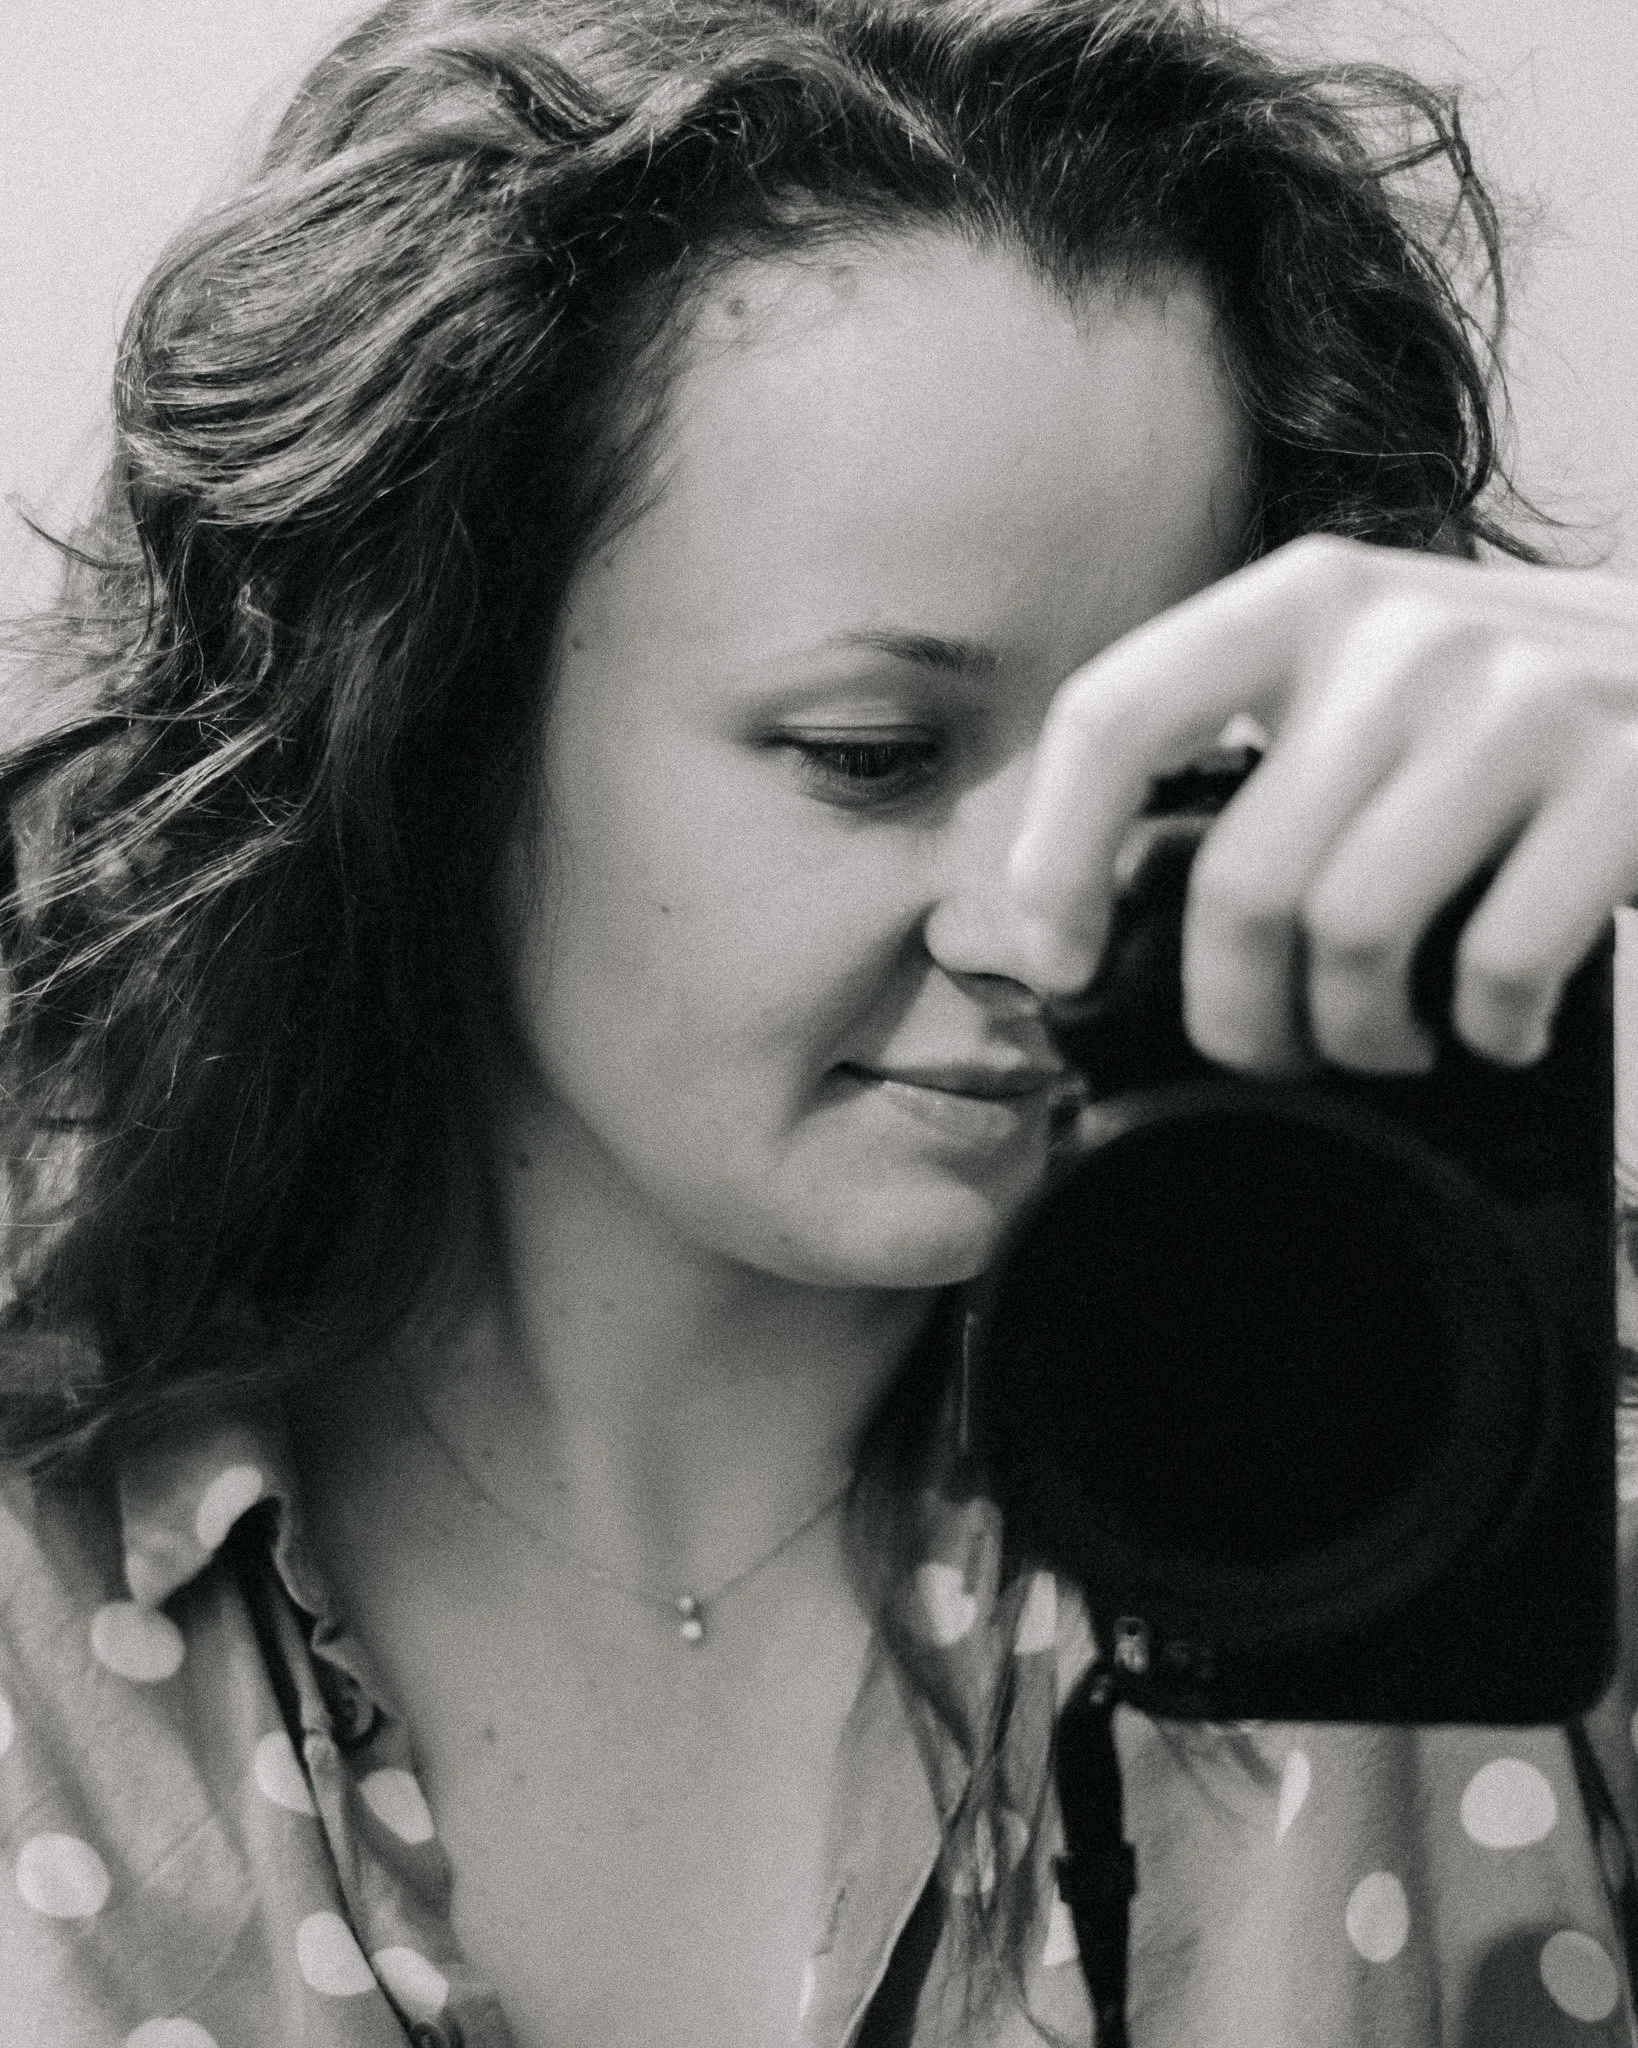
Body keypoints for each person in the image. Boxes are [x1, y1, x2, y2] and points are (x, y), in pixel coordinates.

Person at [2, 0, 1637, 2042]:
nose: (1043, 912)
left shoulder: (1477, 1480)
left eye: (1182, 758)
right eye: (872, 754)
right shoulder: (43, 1575)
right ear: (431, 713)